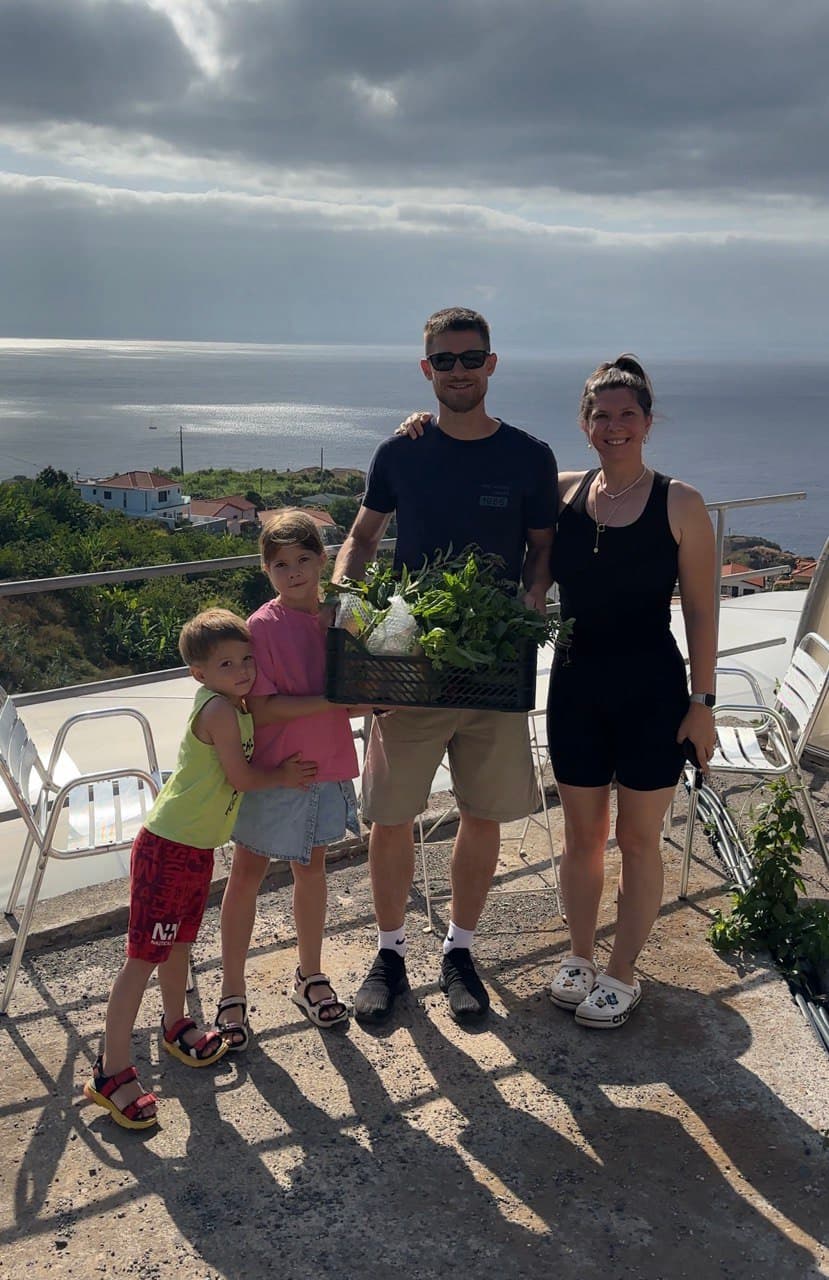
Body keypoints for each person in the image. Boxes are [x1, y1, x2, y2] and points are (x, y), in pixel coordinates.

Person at [333, 306, 558, 1025]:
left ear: (491, 363)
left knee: (482, 812)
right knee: (391, 819)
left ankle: (459, 949)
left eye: (471, 357)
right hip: (408, 666)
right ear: (426, 369)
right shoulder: (400, 453)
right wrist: (349, 621)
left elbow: (541, 548)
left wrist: (527, 602)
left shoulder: (528, 455)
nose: (458, 370)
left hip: (493, 668)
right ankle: (391, 952)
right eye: (445, 360)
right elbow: (361, 539)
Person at [546, 354, 716, 1028]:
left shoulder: (680, 501)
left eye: (626, 415)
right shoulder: (559, 491)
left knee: (639, 841)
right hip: (573, 686)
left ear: (647, 422)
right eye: (600, 414)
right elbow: (483, 472)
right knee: (580, 836)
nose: (612, 425)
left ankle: (623, 970)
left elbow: (702, 610)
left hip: (651, 690)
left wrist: (702, 705)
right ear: (584, 423)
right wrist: (420, 427)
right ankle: (580, 954)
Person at [84, 608, 299, 1131]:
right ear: (198, 674)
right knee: (142, 957)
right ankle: (111, 1070)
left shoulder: (235, 704)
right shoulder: (221, 712)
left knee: (179, 943)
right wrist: (285, 775)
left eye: (247, 659)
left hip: (195, 848)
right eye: (227, 664)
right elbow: (243, 779)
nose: (243, 671)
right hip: (169, 847)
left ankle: (176, 1023)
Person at [216, 510, 362, 1045]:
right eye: (280, 565)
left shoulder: (344, 616)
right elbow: (262, 708)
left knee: (312, 869)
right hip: (273, 773)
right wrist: (336, 701)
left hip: (324, 766)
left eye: (304, 559)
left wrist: (375, 701)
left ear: (323, 559)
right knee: (246, 872)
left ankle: (310, 974)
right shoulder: (261, 627)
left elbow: (357, 693)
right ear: (265, 570)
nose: (294, 572)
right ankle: (232, 991)